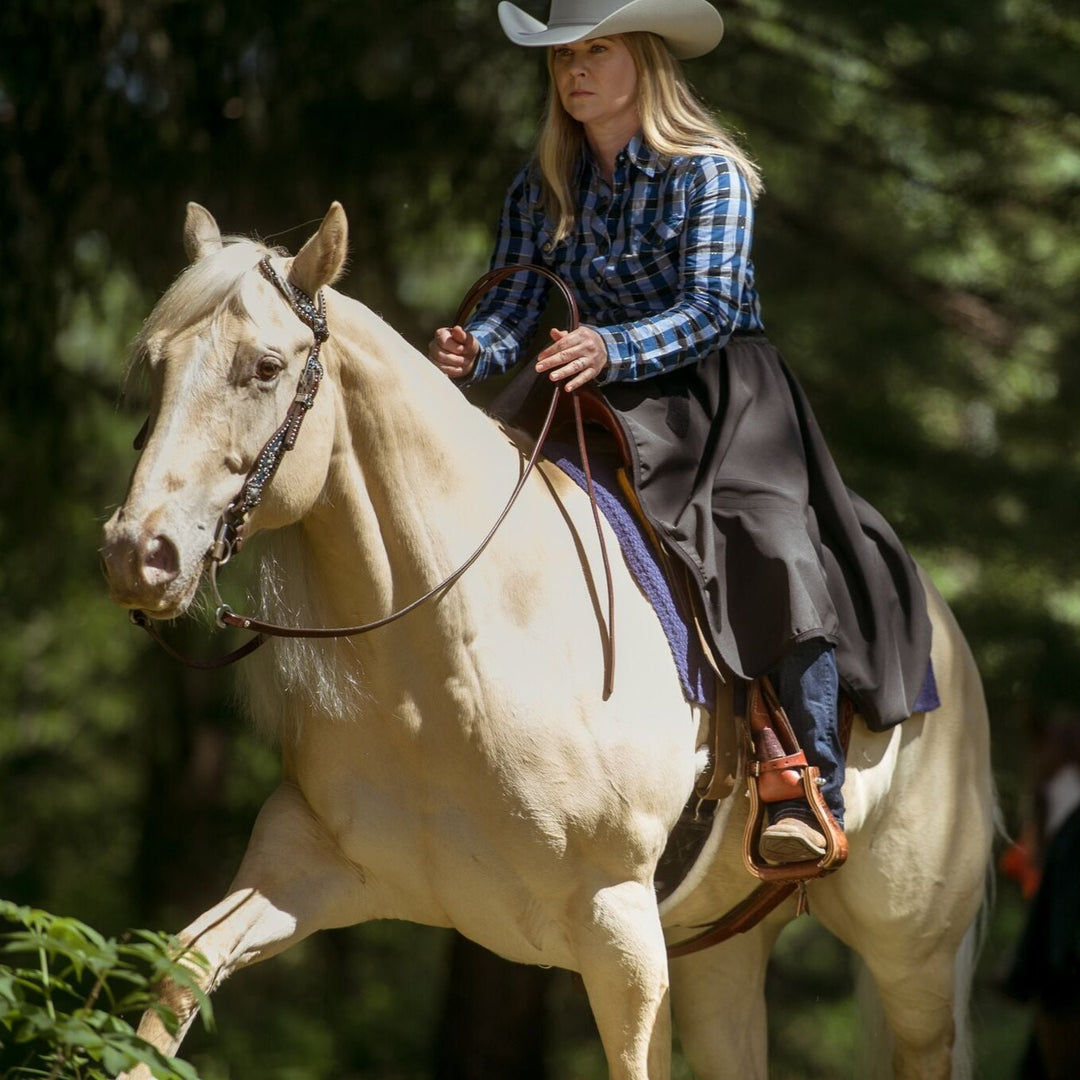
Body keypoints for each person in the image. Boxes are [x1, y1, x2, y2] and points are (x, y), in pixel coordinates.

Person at [428, 0, 933, 865]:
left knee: (770, 541)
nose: (573, 71)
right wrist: (476, 350)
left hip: (718, 395)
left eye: (596, 51)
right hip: (587, 384)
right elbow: (515, 309)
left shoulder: (711, 173)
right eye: (562, 57)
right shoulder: (541, 182)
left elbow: (710, 309)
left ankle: (805, 780)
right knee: (479, 508)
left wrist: (610, 344)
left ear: (646, 62)